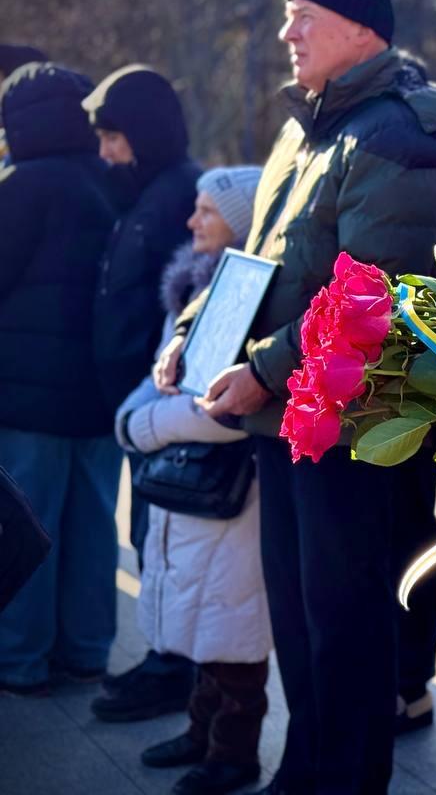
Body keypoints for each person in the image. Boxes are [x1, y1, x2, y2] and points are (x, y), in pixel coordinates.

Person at [155, 0, 436, 795]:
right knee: (297, 620)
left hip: (348, 423)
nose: (287, 32)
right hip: (285, 416)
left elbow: (370, 288)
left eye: (305, 17)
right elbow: (258, 257)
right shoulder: (308, 127)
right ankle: (306, 771)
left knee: (344, 624)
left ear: (363, 30)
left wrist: (259, 367)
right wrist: (196, 331)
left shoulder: (398, 131)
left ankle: (344, 780)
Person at [102, 167, 269, 795]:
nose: (192, 221)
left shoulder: (255, 297)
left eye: (207, 211)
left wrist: (146, 426)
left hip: (227, 489)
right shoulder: (201, 291)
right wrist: (141, 415)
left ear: (242, 221)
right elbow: (170, 376)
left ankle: (233, 753)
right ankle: (201, 733)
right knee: (201, 619)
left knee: (231, 626)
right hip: (186, 484)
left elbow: (232, 408)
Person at [81, 64, 203, 718]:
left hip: (163, 409)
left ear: (144, 134)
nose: (105, 153)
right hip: (139, 408)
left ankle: (174, 670)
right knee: (149, 536)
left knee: (167, 540)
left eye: (113, 138)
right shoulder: (148, 191)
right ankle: (162, 657)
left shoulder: (179, 194)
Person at [0, 62, 118, 694]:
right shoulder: (111, 181)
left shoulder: (19, 185)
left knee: (27, 529)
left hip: (26, 397)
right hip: (97, 394)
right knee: (93, 526)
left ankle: (19, 661)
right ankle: (88, 649)